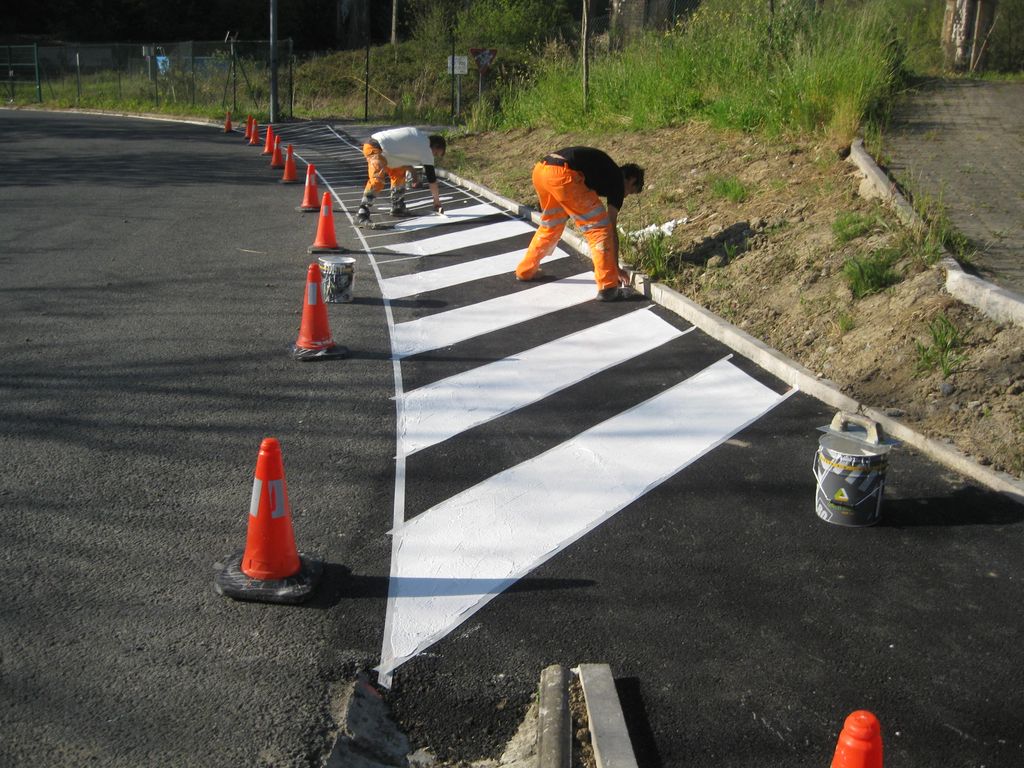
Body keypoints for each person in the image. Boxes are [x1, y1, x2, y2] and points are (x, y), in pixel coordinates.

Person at [515, 147, 644, 302]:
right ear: (631, 180)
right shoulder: (617, 180)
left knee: (551, 226)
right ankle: (608, 286)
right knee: (600, 228)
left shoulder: (605, 170)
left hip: (542, 170)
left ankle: (526, 270)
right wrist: (615, 268)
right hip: (563, 174)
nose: (626, 195)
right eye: (631, 190)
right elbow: (611, 226)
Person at [356, 128, 447, 225]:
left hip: (384, 151)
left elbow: (399, 153)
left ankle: (397, 207)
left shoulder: (419, 137)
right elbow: (432, 180)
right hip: (375, 148)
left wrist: (412, 170)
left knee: (399, 173)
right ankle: (362, 213)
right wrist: (437, 202)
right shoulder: (426, 149)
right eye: (436, 153)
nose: (433, 156)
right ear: (435, 146)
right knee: (377, 179)